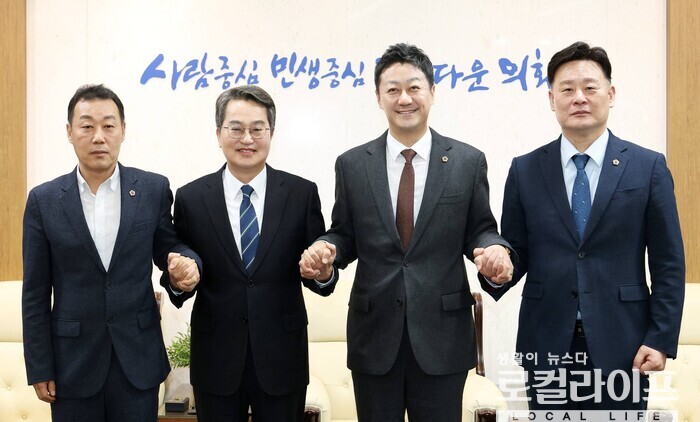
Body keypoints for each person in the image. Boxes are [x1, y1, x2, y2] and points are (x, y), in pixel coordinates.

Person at [299, 43, 513, 422]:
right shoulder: (352, 164)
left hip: (443, 336)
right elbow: (344, 234)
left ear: (432, 91)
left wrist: (494, 250)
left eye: (414, 87)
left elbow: (480, 230)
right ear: (378, 97)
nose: (404, 98)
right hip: (374, 335)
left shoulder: (467, 161)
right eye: (393, 89)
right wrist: (326, 253)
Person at [481, 41, 685, 410]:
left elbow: (668, 263)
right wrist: (498, 270)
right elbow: (517, 251)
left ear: (610, 94)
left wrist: (660, 337)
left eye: (590, 87)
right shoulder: (525, 170)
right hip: (546, 341)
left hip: (625, 343)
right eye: (567, 89)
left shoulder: (648, 167)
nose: (579, 98)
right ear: (551, 99)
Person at [22, 84, 201, 421]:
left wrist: (184, 264)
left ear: (123, 130)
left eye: (108, 125)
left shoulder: (152, 189)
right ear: (70, 132)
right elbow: (34, 292)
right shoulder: (43, 201)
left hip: (137, 360)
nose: (98, 137)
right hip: (71, 364)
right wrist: (39, 365)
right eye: (87, 126)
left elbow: (169, 248)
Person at [161, 85, 336, 422]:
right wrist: (179, 280)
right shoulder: (191, 198)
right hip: (216, 357)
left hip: (282, 356)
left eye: (258, 129)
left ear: (271, 132)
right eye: (236, 128)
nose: (247, 139)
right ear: (218, 133)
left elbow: (318, 270)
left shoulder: (301, 194)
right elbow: (182, 264)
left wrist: (323, 272)